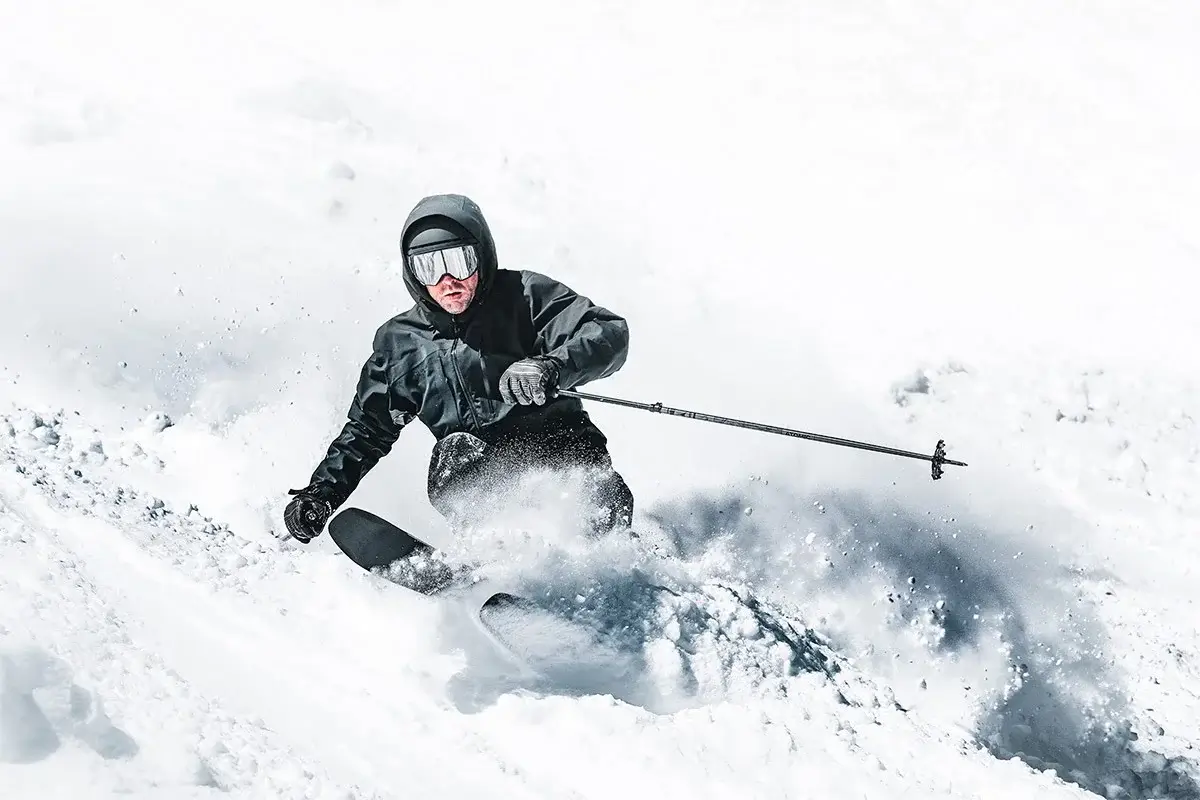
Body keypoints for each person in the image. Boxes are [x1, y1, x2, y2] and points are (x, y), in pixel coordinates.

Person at [283, 193, 633, 546]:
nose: (447, 280)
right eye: (429, 268)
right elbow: (367, 431)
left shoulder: (524, 297)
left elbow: (606, 333)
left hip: (565, 458)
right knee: (455, 451)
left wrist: (553, 366)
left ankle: (609, 556)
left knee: (583, 507)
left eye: (458, 261)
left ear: (481, 256)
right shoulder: (400, 346)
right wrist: (322, 492)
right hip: (484, 484)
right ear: (413, 273)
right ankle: (497, 561)